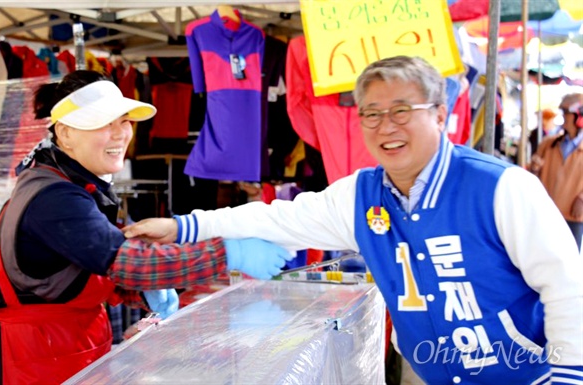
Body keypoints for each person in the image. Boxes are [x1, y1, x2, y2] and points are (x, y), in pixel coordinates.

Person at [124, 56, 583, 384]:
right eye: (372, 115)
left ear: (441, 114)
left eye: (402, 111)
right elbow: (277, 218)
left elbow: (566, 287)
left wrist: (568, 375)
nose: (386, 127)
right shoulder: (361, 194)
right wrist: (187, 226)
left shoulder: (500, 187)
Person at [0, 70, 292, 385]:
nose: (120, 134)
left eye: (124, 121)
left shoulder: (70, 184)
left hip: (63, 350)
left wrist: (135, 291)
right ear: (64, 133)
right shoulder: (54, 198)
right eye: (105, 123)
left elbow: (69, 269)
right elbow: (127, 262)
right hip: (34, 360)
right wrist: (228, 252)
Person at [529, 93, 583, 253]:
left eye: (566, 113)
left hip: (572, 217)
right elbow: (532, 177)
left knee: (568, 263)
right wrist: (534, 168)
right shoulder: (548, 144)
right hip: (546, 214)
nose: (563, 117)